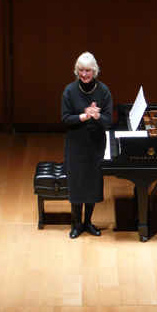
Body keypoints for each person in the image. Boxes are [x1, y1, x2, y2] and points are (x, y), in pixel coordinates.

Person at [61, 52, 113, 239]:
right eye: (81, 70)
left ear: (94, 71)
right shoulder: (69, 90)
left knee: (92, 185)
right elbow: (65, 119)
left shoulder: (104, 91)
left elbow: (108, 121)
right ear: (77, 71)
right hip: (76, 145)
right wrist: (84, 116)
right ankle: (77, 224)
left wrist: (97, 116)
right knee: (77, 185)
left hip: (95, 145)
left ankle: (88, 222)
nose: (84, 74)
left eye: (88, 71)